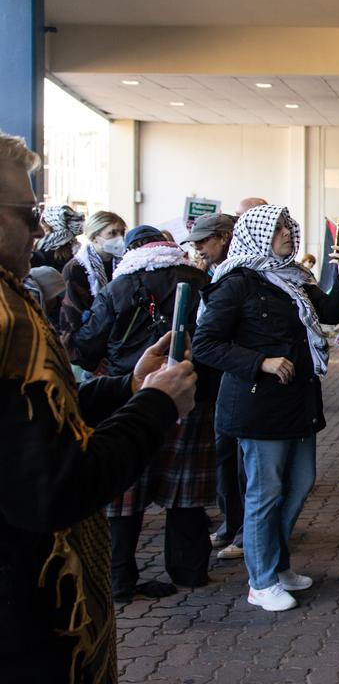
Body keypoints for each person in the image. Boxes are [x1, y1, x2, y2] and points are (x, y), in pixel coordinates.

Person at [0, 131, 197, 682]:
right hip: (29, 620)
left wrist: (129, 389)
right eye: (27, 212)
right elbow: (57, 485)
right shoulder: (6, 318)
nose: (41, 230)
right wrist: (157, 405)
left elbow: (41, 418)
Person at [192, 204, 339, 612]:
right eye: (279, 227)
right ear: (259, 233)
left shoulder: (295, 278)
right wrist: (259, 362)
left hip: (297, 403)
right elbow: (205, 344)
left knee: (299, 484)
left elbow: (331, 311)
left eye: (288, 226)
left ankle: (277, 566)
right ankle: (260, 580)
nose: (287, 232)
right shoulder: (237, 283)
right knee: (265, 493)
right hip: (257, 406)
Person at [72, 225, 216, 601]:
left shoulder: (118, 286)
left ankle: (119, 580)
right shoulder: (198, 281)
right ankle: (191, 572)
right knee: (185, 492)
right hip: (188, 392)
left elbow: (87, 345)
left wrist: (108, 370)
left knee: (124, 492)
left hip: (127, 395)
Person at [180, 212, 244, 559]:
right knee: (224, 456)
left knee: (237, 458)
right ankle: (232, 523)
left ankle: (243, 529)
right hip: (216, 376)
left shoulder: (237, 275)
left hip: (232, 377)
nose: (199, 249)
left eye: (203, 242)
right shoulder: (215, 273)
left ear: (223, 236)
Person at [61, 210, 127, 338]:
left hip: (117, 335)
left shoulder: (124, 263)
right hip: (87, 337)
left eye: (122, 232)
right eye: (112, 233)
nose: (120, 238)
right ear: (94, 237)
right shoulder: (76, 268)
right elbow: (72, 315)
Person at [32, 202, 83, 272]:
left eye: (44, 223)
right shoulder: (77, 250)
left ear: (51, 227)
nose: (41, 228)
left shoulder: (43, 252)